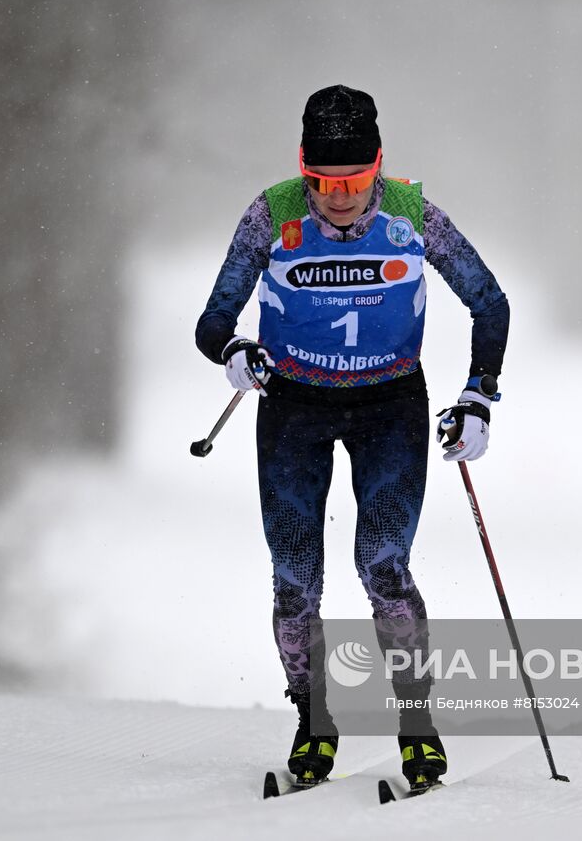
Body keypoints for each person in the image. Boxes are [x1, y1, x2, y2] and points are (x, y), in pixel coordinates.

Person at [195, 85, 509, 789]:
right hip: (293, 409)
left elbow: (489, 301)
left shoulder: (410, 213)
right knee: (295, 580)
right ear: (303, 169)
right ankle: (313, 719)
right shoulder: (270, 215)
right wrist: (235, 353)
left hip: (388, 405)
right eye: (324, 183)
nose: (339, 199)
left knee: (383, 564)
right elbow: (212, 322)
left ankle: (417, 726)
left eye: (356, 181)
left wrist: (479, 394)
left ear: (379, 168)